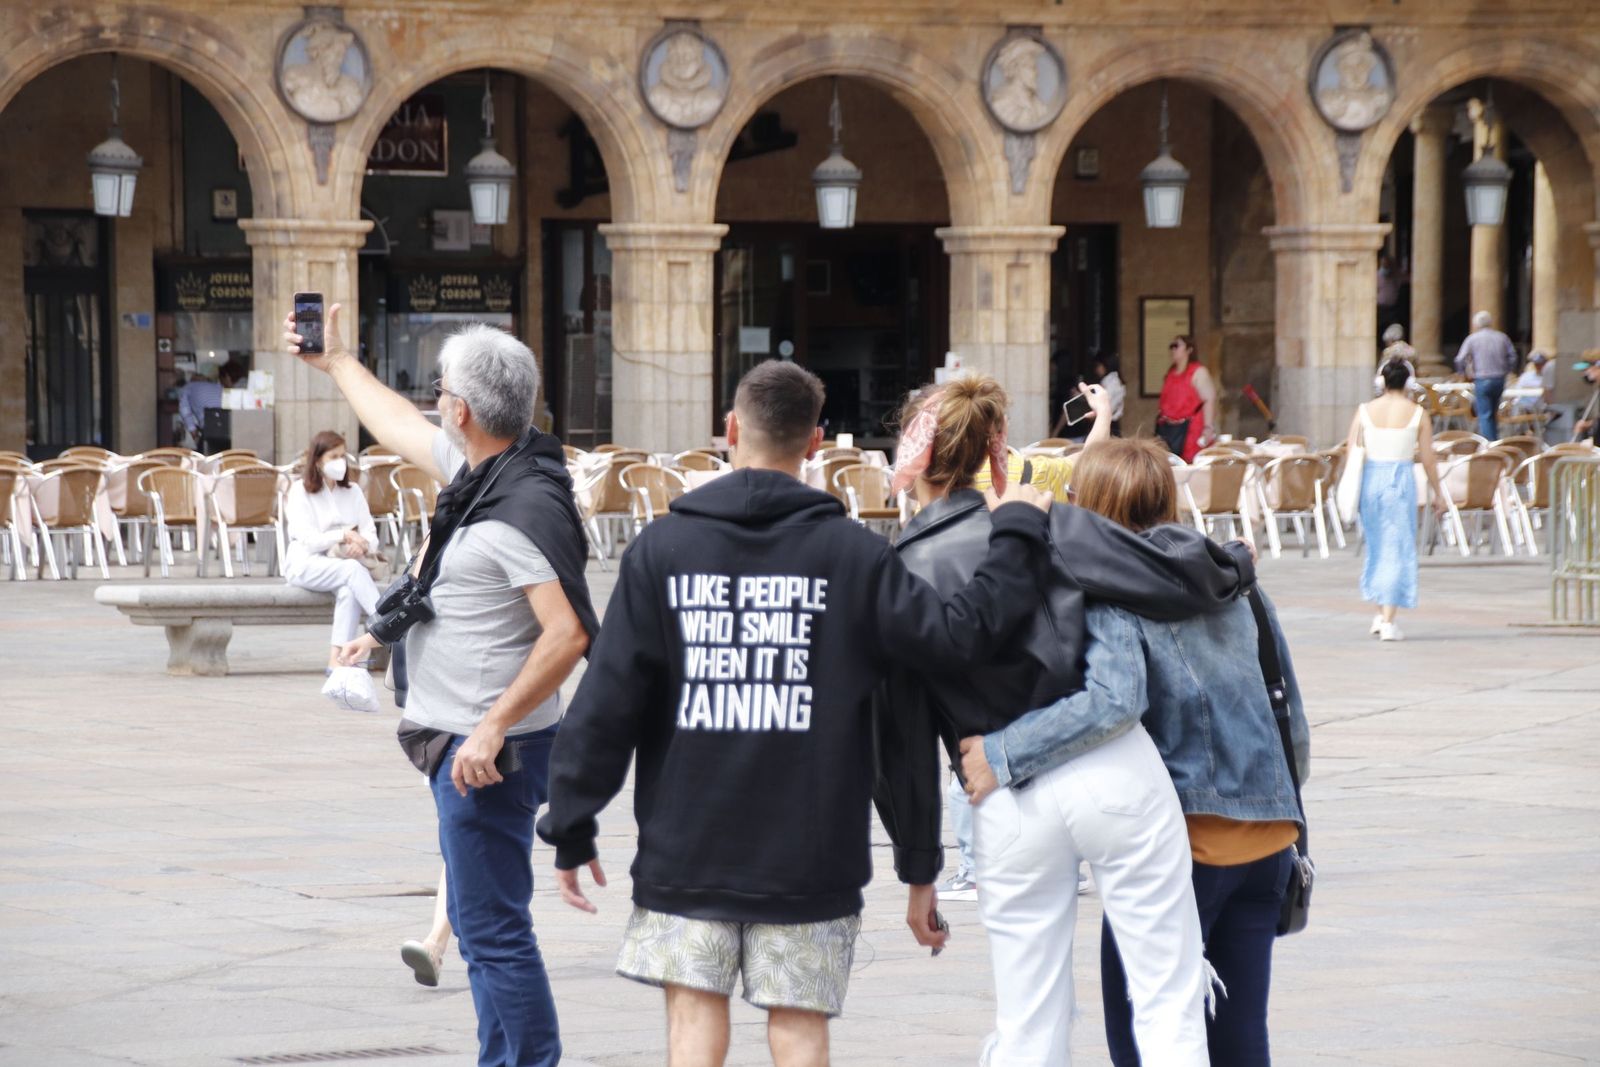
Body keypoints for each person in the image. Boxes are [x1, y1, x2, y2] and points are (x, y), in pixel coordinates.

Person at [536, 360, 1055, 1067]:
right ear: (815, 442)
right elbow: (956, 639)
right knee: (800, 1029)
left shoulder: (661, 550)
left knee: (692, 1026)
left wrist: (571, 820)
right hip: (810, 852)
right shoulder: (855, 556)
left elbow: (608, 702)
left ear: (730, 429)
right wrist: (1018, 528)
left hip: (688, 844)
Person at [876, 382, 1256, 1067]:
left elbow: (899, 735)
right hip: (1108, 763)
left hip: (997, 789)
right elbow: (1169, 571)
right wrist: (1234, 562)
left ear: (913, 451)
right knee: (1168, 995)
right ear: (990, 449)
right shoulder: (1050, 520)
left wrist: (918, 869)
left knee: (1028, 1021)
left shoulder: (895, 573)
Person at [285, 304, 598, 1067]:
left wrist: (492, 725)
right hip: (462, 743)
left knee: (493, 934)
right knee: (484, 924)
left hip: (484, 755)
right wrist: (338, 365)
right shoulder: (492, 469)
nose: (431, 401)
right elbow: (393, 423)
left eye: (440, 390)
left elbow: (569, 633)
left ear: (461, 409)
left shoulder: (514, 509)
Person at [960, 437, 1311, 1067]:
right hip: (1268, 841)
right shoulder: (1238, 581)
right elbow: (1291, 718)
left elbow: (1111, 699)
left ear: (1090, 506)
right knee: (1238, 1041)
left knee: (1145, 1033)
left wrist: (1003, 753)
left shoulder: (1113, 589)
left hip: (1184, 847)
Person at [1346, 357, 1448, 642]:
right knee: (1397, 546)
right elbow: (1428, 458)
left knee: (1378, 545)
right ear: (1408, 383)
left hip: (1371, 479)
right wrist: (1438, 491)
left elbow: (1351, 447)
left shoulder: (1365, 410)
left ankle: (1381, 611)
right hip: (1400, 479)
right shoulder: (1417, 413)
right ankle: (1389, 619)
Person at [282, 430, 382, 674]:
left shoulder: (353, 492)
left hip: (345, 566)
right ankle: (387, 621)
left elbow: (371, 535)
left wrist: (362, 544)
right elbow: (307, 539)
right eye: (333, 456)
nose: (340, 462)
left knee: (349, 590)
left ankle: (337, 660)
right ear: (318, 461)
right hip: (306, 564)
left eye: (343, 455)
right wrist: (343, 535)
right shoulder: (299, 492)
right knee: (351, 571)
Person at [1453, 310, 1519, 442]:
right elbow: (1513, 357)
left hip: (1482, 379)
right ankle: (1494, 440)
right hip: (1499, 379)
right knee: (1493, 413)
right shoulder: (1502, 337)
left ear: (1476, 324)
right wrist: (1507, 370)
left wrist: (1463, 373)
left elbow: (1460, 359)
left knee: (1484, 414)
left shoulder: (1472, 339)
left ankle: (1489, 443)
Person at [1157, 335, 1217, 462]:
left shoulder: (1198, 372)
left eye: (1177, 346)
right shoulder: (1171, 373)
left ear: (1189, 350)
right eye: (1171, 346)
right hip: (1169, 429)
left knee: (1190, 462)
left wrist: (1208, 427)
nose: (1173, 349)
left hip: (1191, 429)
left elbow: (1209, 399)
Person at [178, 361, 243, 450]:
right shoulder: (237, 392)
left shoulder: (190, 387)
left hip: (211, 434)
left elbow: (184, 408)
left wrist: (193, 430)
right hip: (235, 432)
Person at [1094, 353, 1127, 437]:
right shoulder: (1109, 381)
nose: (1096, 369)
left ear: (1106, 365)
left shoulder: (1113, 382)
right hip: (1108, 424)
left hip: (1109, 425)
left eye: (1098, 365)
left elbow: (1106, 406)